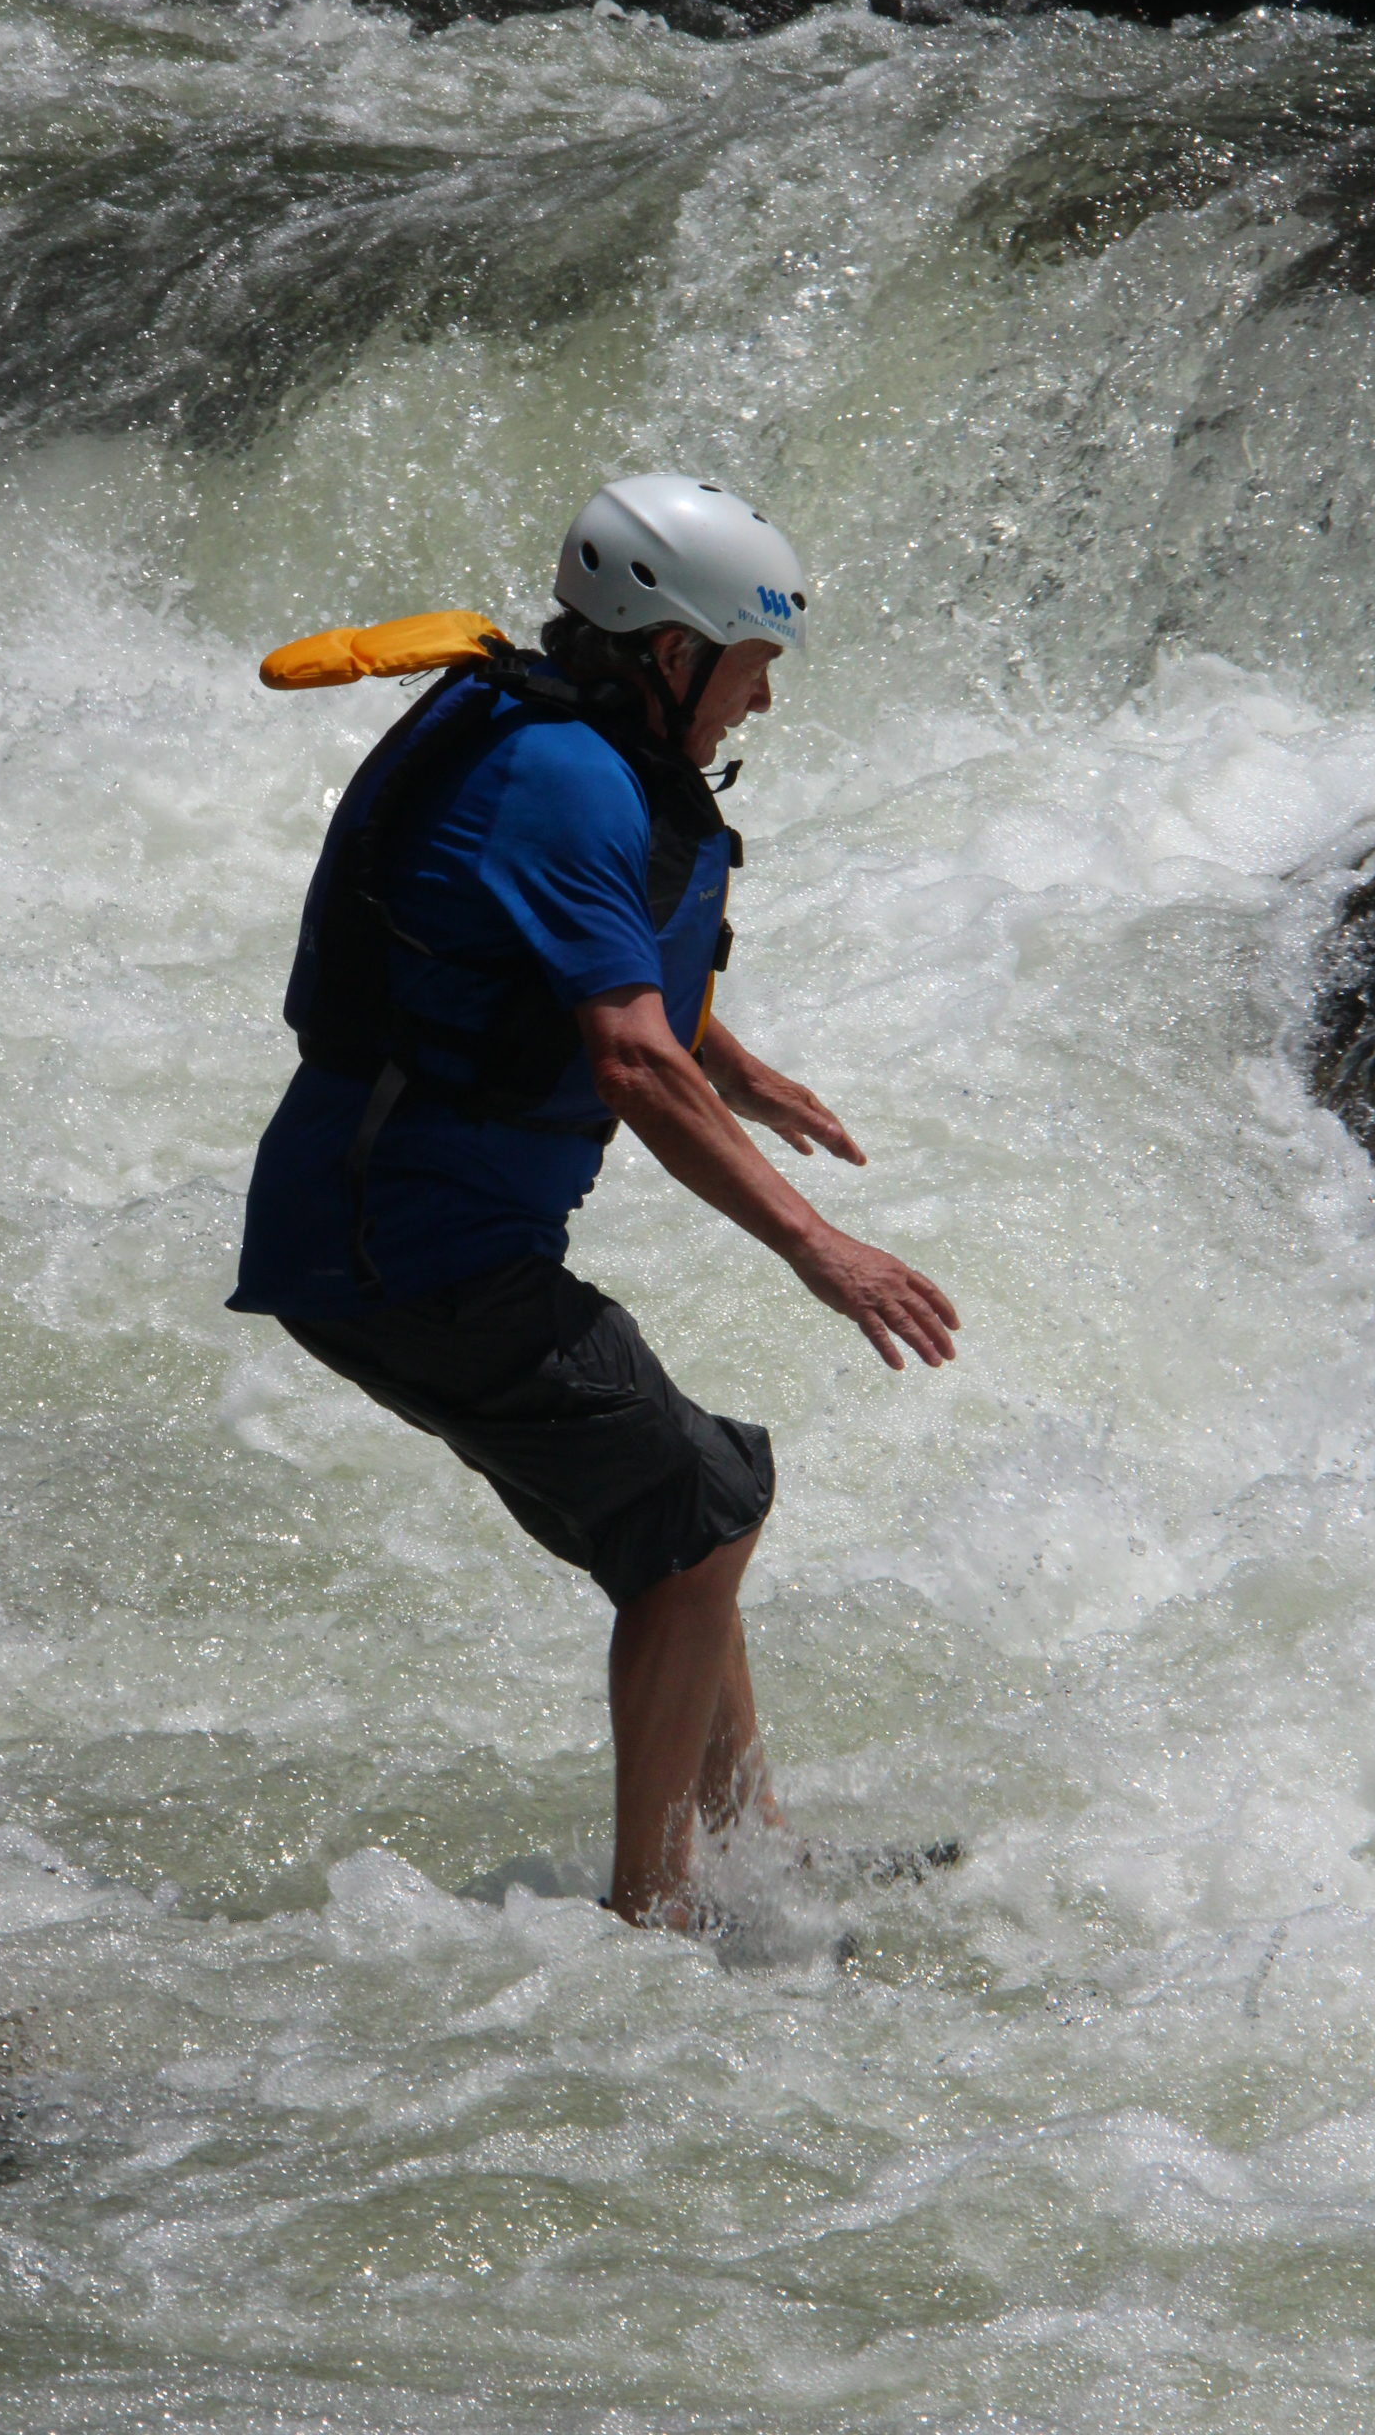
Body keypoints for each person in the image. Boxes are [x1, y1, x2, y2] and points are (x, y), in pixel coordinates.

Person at [228, 476, 960, 1931]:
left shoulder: (560, 729)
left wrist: (734, 1066)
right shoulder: (561, 772)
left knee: (690, 1511)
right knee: (694, 1512)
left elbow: (587, 971)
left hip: (404, 1230)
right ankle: (658, 1914)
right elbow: (625, 1050)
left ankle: (756, 1852)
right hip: (402, 1245)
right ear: (669, 651)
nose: (759, 706)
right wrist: (822, 1250)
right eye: (749, 669)